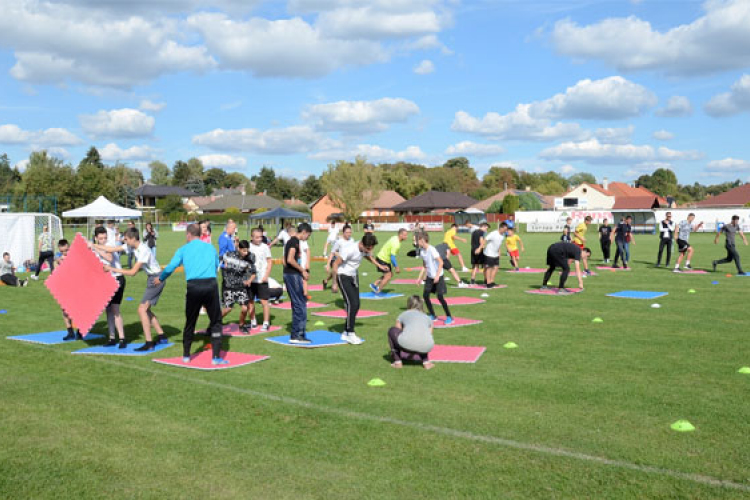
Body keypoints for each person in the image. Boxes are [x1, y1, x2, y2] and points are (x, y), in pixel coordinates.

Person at [155, 224, 226, 364]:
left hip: (193, 286)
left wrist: (161, 278)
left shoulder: (183, 249)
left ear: (188, 234)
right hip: (210, 285)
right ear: (200, 234)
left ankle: (186, 355)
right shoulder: (210, 247)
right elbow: (217, 265)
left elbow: (171, 266)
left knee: (190, 321)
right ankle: (216, 357)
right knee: (216, 321)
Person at [100, 228, 168, 351]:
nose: (124, 241)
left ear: (132, 239)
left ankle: (149, 342)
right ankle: (162, 336)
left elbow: (132, 272)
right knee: (146, 310)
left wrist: (112, 269)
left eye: (126, 239)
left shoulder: (144, 250)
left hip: (156, 279)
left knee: (141, 310)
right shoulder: (131, 247)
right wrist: (92, 245)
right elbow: (110, 249)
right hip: (152, 278)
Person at [332, 233, 387, 344]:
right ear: (361, 244)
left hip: (353, 276)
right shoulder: (349, 250)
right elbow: (335, 264)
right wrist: (334, 283)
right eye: (367, 248)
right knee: (352, 304)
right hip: (343, 276)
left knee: (357, 304)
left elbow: (367, 256)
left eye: (371, 248)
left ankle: (346, 331)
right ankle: (350, 333)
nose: (369, 250)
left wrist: (379, 265)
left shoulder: (363, 249)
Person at [91, 227, 127, 348]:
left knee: (115, 309)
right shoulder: (95, 247)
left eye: (105, 237)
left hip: (117, 279)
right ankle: (111, 338)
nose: (103, 240)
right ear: (96, 238)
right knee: (108, 310)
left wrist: (95, 247)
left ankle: (122, 338)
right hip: (106, 281)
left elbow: (109, 258)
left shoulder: (110, 245)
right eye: (100, 238)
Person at [387, 295, 435, 370]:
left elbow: (397, 330)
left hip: (406, 344)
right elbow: (429, 334)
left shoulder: (403, 314)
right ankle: (426, 362)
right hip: (427, 346)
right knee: (423, 336)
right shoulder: (428, 318)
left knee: (391, 330)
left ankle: (398, 362)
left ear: (409, 304)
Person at [284, 223, 313, 344]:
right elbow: (290, 259)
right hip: (292, 275)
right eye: (308, 235)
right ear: (304, 232)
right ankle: (296, 335)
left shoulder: (293, 241)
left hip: (292, 275)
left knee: (300, 303)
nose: (307, 238)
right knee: (299, 304)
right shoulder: (294, 242)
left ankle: (299, 333)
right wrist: (302, 271)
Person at [220, 239, 256, 334]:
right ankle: (214, 323)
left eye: (247, 250)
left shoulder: (250, 257)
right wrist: (225, 267)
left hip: (241, 286)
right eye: (243, 250)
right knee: (228, 309)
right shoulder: (230, 255)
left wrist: (249, 280)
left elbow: (253, 273)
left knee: (244, 308)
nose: (246, 252)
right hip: (229, 286)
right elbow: (220, 261)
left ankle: (241, 325)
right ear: (238, 248)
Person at [416, 232, 453, 324]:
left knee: (440, 297)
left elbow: (441, 262)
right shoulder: (422, 251)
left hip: (438, 276)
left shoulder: (432, 250)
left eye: (417, 240)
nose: (416, 242)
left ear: (422, 240)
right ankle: (433, 315)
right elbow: (424, 265)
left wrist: (437, 276)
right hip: (429, 277)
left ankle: (449, 316)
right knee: (425, 296)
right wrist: (419, 278)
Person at [55, 240, 82, 340]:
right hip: (64, 287)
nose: (64, 253)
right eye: (62, 251)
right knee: (64, 310)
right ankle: (70, 332)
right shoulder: (59, 259)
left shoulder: (75, 257)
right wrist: (59, 262)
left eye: (66, 250)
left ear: (69, 247)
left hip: (75, 286)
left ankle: (80, 332)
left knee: (77, 310)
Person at [248, 227, 274, 331]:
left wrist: (266, 276)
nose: (259, 239)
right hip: (250, 279)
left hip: (262, 279)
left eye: (261, 237)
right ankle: (253, 321)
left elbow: (270, 261)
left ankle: (266, 323)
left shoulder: (265, 247)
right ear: (252, 237)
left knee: (264, 301)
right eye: (257, 237)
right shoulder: (248, 246)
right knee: (250, 301)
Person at [371, 228, 408, 294]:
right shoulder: (396, 243)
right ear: (400, 235)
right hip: (382, 259)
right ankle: (378, 291)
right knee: (388, 276)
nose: (406, 236)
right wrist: (396, 267)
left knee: (389, 275)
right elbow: (392, 257)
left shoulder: (395, 237)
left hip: (384, 259)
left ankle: (374, 284)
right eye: (405, 235)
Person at [478, 222, 507, 288]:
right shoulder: (493, 233)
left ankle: (491, 281)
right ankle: (488, 283)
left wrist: (499, 252)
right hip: (489, 253)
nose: (505, 231)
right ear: (501, 228)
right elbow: (485, 239)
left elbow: (499, 244)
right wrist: (479, 248)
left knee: (496, 267)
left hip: (495, 254)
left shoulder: (503, 236)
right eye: (505, 229)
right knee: (489, 268)